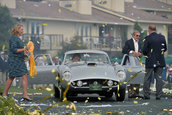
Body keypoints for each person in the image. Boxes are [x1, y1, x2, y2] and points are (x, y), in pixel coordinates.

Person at [3, 24, 32, 101]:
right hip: (14, 60)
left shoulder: (18, 39)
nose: (23, 31)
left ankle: (25, 95)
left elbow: (20, 50)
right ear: (17, 30)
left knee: (24, 75)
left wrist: (26, 52)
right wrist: (24, 48)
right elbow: (14, 50)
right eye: (21, 29)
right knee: (12, 77)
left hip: (19, 60)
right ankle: (5, 94)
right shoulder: (13, 38)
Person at [142, 24, 167, 100]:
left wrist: (148, 54)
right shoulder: (162, 37)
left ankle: (146, 95)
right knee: (159, 78)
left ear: (149, 30)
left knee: (147, 78)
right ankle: (158, 95)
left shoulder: (148, 38)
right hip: (160, 60)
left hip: (150, 60)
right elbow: (164, 49)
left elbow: (144, 50)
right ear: (155, 29)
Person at [122, 30, 142, 98]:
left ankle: (137, 93)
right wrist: (132, 52)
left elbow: (141, 51)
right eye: (137, 35)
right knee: (131, 76)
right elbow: (124, 50)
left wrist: (140, 53)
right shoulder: (128, 42)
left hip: (137, 61)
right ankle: (131, 93)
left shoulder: (140, 43)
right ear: (133, 35)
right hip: (130, 61)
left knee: (138, 75)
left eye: (139, 36)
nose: (138, 37)